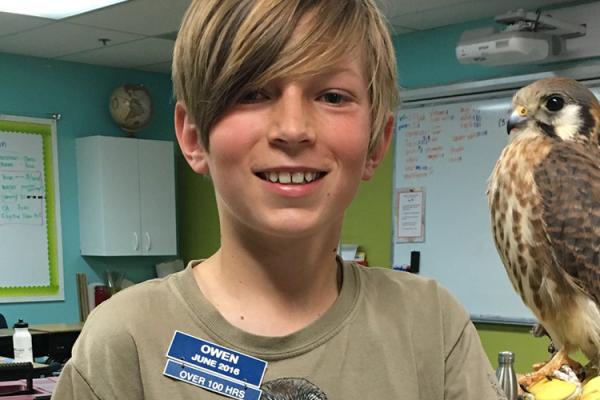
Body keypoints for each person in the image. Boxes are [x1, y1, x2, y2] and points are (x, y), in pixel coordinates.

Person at [53, 0, 506, 399]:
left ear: (376, 144)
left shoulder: (430, 323)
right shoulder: (126, 340)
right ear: (193, 136)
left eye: (332, 96)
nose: (292, 128)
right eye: (252, 93)